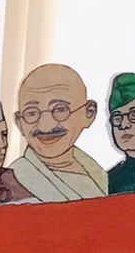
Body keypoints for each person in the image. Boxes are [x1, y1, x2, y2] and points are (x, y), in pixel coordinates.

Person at [8, 63, 108, 201]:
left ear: (89, 113)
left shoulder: (101, 175)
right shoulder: (12, 183)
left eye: (60, 109)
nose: (46, 126)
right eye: (31, 113)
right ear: (19, 123)